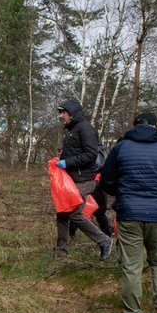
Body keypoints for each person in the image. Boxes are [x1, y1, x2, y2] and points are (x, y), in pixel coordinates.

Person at [99, 112, 157, 313]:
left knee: (131, 266)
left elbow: (106, 181)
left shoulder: (120, 148)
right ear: (156, 127)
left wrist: (123, 195)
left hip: (129, 215)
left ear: (134, 126)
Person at [54, 99, 113, 260]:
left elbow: (90, 155)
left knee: (74, 214)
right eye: (59, 112)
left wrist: (67, 162)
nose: (60, 116)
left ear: (71, 112)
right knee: (62, 213)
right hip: (71, 180)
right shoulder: (72, 130)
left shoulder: (85, 129)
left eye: (62, 112)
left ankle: (104, 240)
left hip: (83, 180)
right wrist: (61, 158)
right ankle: (61, 250)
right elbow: (76, 152)